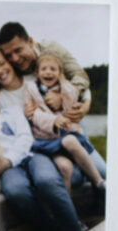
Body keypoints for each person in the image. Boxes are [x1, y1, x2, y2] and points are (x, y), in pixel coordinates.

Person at [0, 73, 86, 231]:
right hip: (7, 168)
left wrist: (9, 159)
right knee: (16, 191)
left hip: (31, 156)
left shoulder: (13, 111)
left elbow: (25, 137)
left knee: (47, 180)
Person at [24, 52, 106, 197]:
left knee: (70, 140)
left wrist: (63, 87)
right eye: (44, 69)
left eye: (53, 69)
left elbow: (70, 108)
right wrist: (53, 120)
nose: (48, 72)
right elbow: (32, 115)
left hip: (67, 134)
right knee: (65, 167)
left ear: (60, 73)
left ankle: (98, 180)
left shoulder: (66, 88)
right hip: (47, 139)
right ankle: (67, 209)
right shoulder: (31, 90)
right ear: (37, 72)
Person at [0, 21, 91, 121]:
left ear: (30, 42)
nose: (15, 58)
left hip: (64, 114)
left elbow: (80, 75)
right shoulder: (5, 64)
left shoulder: (53, 49)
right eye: (9, 55)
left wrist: (78, 100)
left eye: (18, 50)